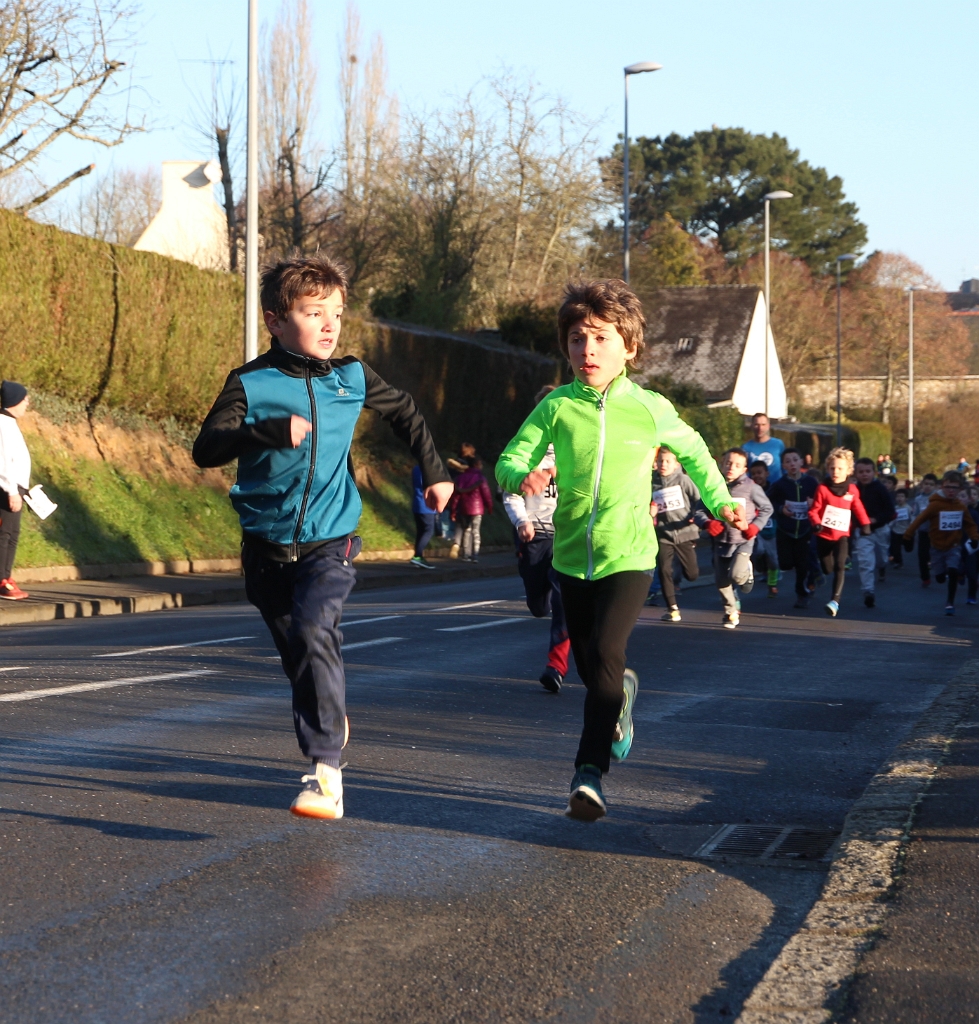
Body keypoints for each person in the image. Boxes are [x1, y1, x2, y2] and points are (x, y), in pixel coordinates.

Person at [193, 255, 453, 820]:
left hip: (330, 539)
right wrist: (265, 431)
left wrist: (435, 471)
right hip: (265, 547)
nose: (331, 323)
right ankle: (330, 714)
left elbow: (406, 411)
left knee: (315, 629)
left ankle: (325, 773)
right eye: (314, 312)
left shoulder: (351, 376)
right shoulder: (251, 382)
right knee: (301, 657)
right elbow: (206, 448)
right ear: (275, 320)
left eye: (337, 312)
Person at [496, 279, 744, 822]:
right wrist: (522, 476)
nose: (587, 349)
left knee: (607, 652)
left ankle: (588, 774)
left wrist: (723, 502)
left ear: (629, 347)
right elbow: (511, 458)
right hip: (570, 557)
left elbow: (696, 453)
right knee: (593, 667)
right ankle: (621, 699)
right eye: (577, 339)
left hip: (629, 554)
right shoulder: (557, 407)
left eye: (601, 338)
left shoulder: (649, 408)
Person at [502, 386, 570, 693]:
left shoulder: (577, 449)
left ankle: (556, 666)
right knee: (539, 606)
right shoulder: (525, 451)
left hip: (568, 537)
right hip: (535, 535)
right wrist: (522, 521)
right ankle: (539, 600)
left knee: (563, 601)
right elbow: (510, 494)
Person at [705, 448, 773, 628]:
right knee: (721, 581)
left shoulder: (751, 487)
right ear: (721, 464)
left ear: (744, 469)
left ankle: (746, 572)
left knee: (736, 575)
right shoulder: (713, 487)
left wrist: (755, 526)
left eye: (737, 465)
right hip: (721, 540)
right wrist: (707, 523)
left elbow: (767, 508)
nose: (731, 468)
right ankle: (731, 612)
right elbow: (698, 510)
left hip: (743, 539)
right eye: (728, 463)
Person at [906, 470, 979, 616]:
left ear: (959, 489)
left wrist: (974, 538)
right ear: (942, 487)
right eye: (948, 487)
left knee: (953, 570)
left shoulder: (960, 506)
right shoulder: (935, 505)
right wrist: (908, 536)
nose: (951, 491)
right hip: (937, 546)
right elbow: (920, 519)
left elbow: (970, 524)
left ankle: (950, 602)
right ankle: (941, 573)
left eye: (955, 488)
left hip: (954, 545)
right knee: (940, 578)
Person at [809, 447, 871, 617]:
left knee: (839, 566)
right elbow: (814, 510)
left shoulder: (852, 490)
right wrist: (816, 523)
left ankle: (834, 601)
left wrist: (865, 524)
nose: (835, 472)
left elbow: (858, 508)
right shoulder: (822, 488)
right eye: (832, 468)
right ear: (827, 469)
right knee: (827, 568)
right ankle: (824, 572)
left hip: (842, 535)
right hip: (823, 535)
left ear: (849, 471)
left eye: (840, 468)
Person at [651, 444, 708, 622]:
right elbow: (647, 504)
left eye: (668, 461)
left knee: (692, 575)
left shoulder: (683, 480)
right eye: (660, 460)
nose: (663, 464)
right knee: (664, 570)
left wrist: (695, 517)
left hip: (685, 532)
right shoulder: (651, 483)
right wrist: (651, 512)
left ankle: (684, 571)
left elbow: (699, 500)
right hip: (663, 534)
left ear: (676, 464)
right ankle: (672, 608)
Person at [769, 447, 818, 609]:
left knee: (802, 564)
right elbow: (768, 502)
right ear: (783, 465)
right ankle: (810, 574)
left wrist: (813, 504)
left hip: (805, 530)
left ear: (801, 462)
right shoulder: (779, 485)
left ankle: (802, 593)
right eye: (788, 461)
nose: (792, 464)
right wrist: (780, 509)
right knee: (785, 564)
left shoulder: (811, 482)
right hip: (785, 530)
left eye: (795, 460)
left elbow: (821, 500)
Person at [0, 381, 32, 600]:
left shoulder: (10, 423)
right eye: (24, 398)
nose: (27, 402)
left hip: (16, 488)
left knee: (12, 535)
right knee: (4, 535)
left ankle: (6, 577)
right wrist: (12, 491)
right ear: (14, 400)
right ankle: (2, 580)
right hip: (6, 489)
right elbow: (3, 462)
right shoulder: (2, 424)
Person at [853, 457, 896, 608]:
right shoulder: (853, 490)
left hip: (880, 529)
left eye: (868, 471)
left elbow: (890, 511)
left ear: (874, 473)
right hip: (863, 532)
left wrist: (876, 519)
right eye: (861, 472)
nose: (864, 475)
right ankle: (868, 591)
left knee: (881, 559)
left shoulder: (880, 489)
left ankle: (882, 566)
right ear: (856, 474)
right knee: (865, 562)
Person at [449, 457, 492, 562]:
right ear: (477, 465)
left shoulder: (460, 478)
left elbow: (456, 496)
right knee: (475, 532)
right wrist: (489, 506)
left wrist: (453, 510)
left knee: (466, 531)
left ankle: (465, 555)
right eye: (480, 464)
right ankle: (475, 555)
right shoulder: (481, 478)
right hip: (477, 509)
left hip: (464, 508)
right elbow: (486, 494)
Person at [748, 459, 780, 596]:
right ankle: (761, 570)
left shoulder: (774, 489)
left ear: (767, 473)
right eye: (753, 473)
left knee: (773, 559)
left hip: (770, 529)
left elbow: (778, 505)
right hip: (755, 528)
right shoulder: (748, 490)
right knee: (758, 551)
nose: (757, 476)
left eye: (759, 472)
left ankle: (772, 584)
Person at [743, 412, 785, 484]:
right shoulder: (746, 447)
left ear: (768, 426)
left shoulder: (778, 444)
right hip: (755, 488)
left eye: (763, 424)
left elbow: (785, 467)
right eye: (757, 425)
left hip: (777, 488)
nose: (760, 428)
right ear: (752, 426)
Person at [912, 474, 938, 586]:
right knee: (922, 555)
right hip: (923, 530)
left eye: (931, 485)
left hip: (936, 531)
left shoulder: (938, 498)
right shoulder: (918, 499)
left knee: (937, 553)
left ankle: (940, 569)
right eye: (926, 484)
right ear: (922, 484)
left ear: (935, 486)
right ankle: (925, 577)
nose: (928, 486)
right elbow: (914, 514)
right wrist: (913, 526)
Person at [410, 464, 437, 569]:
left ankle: (418, 557)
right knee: (428, 531)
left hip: (417, 503)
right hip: (427, 505)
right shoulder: (429, 469)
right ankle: (417, 556)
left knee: (420, 532)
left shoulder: (416, 468)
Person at [889, 488, 913, 568]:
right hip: (896, 530)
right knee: (896, 547)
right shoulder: (895, 508)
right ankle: (898, 562)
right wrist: (890, 526)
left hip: (906, 531)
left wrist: (912, 528)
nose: (899, 498)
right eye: (898, 496)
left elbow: (912, 519)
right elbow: (892, 519)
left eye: (902, 496)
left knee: (909, 548)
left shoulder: (909, 508)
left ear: (906, 499)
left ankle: (908, 546)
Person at [963, 485, 979, 606]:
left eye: (975, 494)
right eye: (970, 495)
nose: (972, 497)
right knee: (971, 571)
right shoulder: (964, 510)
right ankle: (971, 595)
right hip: (969, 544)